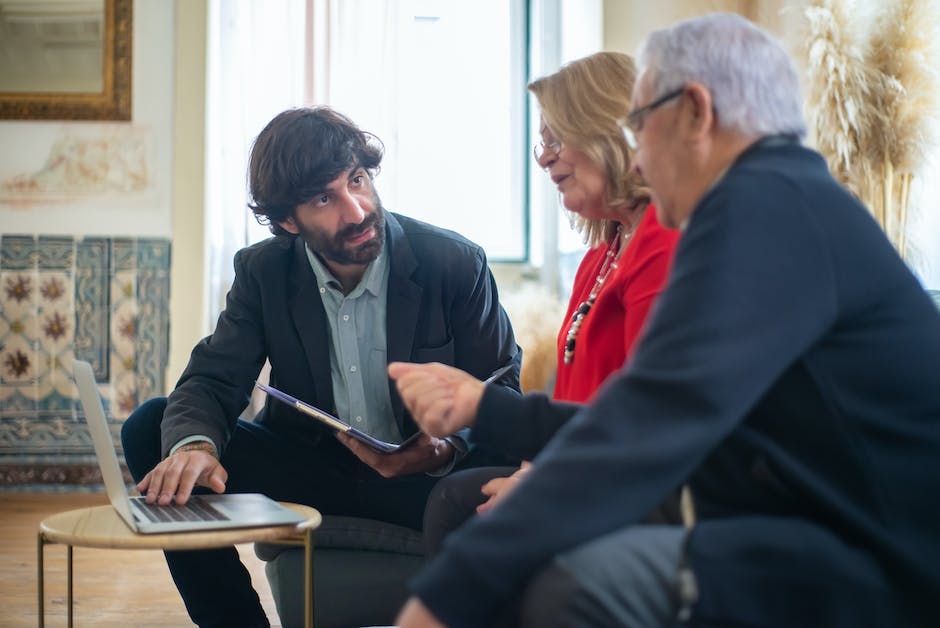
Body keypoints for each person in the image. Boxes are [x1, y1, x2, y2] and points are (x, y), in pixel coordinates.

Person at [390, 13, 940, 628]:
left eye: (640, 125)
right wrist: (493, 413)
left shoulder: (758, 210)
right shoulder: (787, 198)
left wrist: (447, 594)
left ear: (696, 112)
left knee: (577, 589)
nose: (638, 157)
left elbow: (651, 417)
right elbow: (653, 413)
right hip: (831, 531)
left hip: (879, 561)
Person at [120, 106, 522, 628]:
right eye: (323, 198)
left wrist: (445, 445)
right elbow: (214, 377)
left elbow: (502, 384)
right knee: (153, 427)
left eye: (357, 180)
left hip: (430, 478)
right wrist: (195, 446)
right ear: (288, 220)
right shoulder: (263, 270)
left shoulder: (454, 262)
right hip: (314, 468)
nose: (355, 210)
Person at [421, 51, 680, 556]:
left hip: (636, 482)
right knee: (457, 501)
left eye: (556, 138)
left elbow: (649, 417)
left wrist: (544, 482)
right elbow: (573, 400)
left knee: (456, 504)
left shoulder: (664, 243)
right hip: (586, 462)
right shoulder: (599, 259)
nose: (543, 158)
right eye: (542, 142)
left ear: (608, 131)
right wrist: (534, 469)